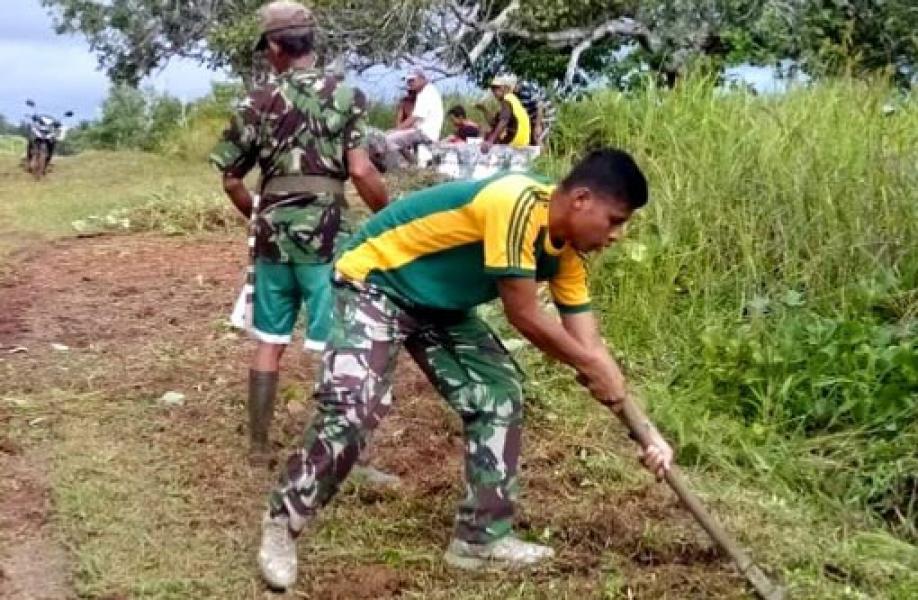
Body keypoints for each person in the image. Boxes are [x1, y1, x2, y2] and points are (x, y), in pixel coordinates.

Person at [257, 148, 675, 589]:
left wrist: (649, 435)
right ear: (582, 199)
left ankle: (480, 539)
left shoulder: (566, 255)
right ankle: (283, 521)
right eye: (615, 220)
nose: (617, 235)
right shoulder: (515, 202)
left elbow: (592, 351)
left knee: (498, 391)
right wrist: (591, 364)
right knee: (355, 406)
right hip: (375, 282)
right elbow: (524, 315)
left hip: (439, 306)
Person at [209, 1, 389, 467]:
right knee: (340, 344)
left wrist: (258, 214)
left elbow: (230, 177)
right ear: (310, 41)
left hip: (272, 240)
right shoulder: (347, 97)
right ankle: (348, 456)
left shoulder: (255, 102)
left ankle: (257, 447)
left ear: (274, 46)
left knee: (269, 339)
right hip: (327, 238)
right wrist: (391, 216)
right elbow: (361, 169)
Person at [384, 68, 444, 163]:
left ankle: (403, 166)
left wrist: (395, 130)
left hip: (424, 133)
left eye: (412, 80)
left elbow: (414, 117)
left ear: (422, 78)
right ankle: (413, 163)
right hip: (425, 132)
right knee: (395, 138)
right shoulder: (429, 90)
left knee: (388, 139)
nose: (409, 83)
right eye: (408, 81)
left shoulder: (425, 93)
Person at [476, 74, 530, 153]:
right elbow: (494, 123)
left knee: (488, 139)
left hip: (515, 141)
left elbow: (503, 120)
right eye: (492, 89)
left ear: (505, 88)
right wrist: (484, 110)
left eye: (496, 88)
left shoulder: (507, 100)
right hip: (523, 141)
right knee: (490, 133)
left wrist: (490, 141)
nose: (494, 91)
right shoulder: (513, 100)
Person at [515, 80, 556, 146]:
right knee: (529, 141)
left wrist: (537, 126)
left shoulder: (529, 89)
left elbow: (540, 107)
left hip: (545, 116)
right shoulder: (513, 92)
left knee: (538, 139)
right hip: (532, 117)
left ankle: (543, 154)